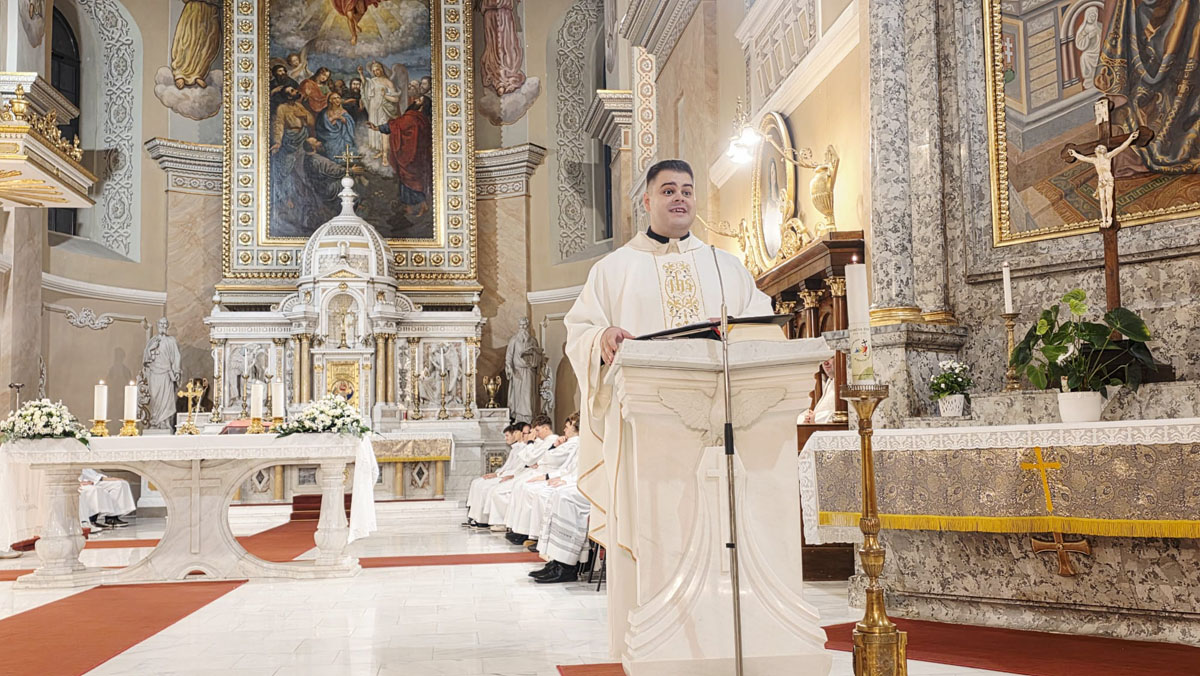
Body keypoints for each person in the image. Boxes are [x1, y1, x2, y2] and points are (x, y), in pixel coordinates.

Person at [564, 158, 772, 657]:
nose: (680, 198)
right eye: (668, 190)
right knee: (651, 533)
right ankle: (647, 650)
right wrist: (602, 338)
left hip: (717, 429)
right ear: (647, 200)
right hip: (643, 435)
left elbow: (762, 327)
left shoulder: (726, 265)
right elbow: (580, 330)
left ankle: (718, 646)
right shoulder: (612, 269)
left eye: (687, 190)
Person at [508, 413, 580, 548]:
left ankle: (539, 536)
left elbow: (551, 459)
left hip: (561, 476)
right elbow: (558, 462)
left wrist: (550, 476)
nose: (564, 430)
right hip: (557, 474)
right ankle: (526, 532)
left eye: (567, 427)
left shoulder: (574, 443)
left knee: (536, 492)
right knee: (524, 487)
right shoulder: (569, 442)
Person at [483, 416, 557, 532]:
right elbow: (529, 459)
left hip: (542, 473)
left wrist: (531, 443)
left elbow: (531, 458)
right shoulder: (544, 441)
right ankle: (512, 525)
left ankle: (518, 527)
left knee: (517, 489)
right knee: (512, 488)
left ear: (546, 428)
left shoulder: (551, 440)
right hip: (531, 471)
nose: (536, 434)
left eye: (537, 430)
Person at [466, 422, 532, 528]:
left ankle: (484, 519)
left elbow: (517, 469)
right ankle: (475, 516)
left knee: (486, 487)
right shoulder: (516, 448)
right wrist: (497, 473)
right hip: (508, 474)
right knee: (477, 483)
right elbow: (508, 466)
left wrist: (498, 475)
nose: (514, 435)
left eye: (524, 433)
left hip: (515, 476)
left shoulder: (526, 448)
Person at [142, 318, 182, 431]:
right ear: (158, 325)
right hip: (154, 373)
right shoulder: (152, 340)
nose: (163, 326)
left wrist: (177, 371)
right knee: (155, 397)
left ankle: (165, 422)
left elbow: (177, 356)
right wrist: (151, 348)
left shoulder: (171, 340)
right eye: (161, 324)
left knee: (166, 399)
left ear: (167, 326)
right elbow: (146, 358)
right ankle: (155, 421)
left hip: (166, 373)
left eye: (165, 324)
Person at [800, 357, 836, 424]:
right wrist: (809, 418)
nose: (825, 363)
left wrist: (815, 419)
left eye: (831, 358)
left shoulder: (848, 382)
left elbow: (847, 415)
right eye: (823, 358)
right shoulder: (830, 380)